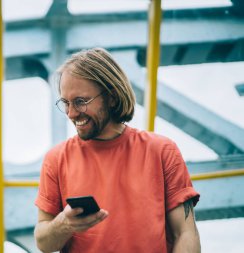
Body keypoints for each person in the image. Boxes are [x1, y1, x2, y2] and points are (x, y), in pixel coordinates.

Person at [34, 48, 201, 253]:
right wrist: (64, 224)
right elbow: (43, 243)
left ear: (111, 97)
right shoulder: (56, 159)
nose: (71, 113)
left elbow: (185, 233)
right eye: (66, 103)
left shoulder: (162, 151)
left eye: (80, 102)